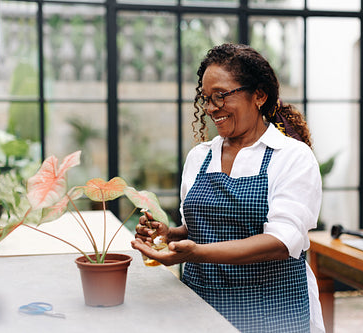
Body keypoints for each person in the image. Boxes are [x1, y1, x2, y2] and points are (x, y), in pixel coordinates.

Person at [132, 43, 325, 333]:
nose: (211, 108)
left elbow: (282, 243)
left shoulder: (292, 157)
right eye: (206, 99)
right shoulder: (200, 157)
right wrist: (169, 234)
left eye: (221, 96)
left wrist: (195, 253)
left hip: (271, 313)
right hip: (201, 306)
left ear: (259, 95)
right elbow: (196, 228)